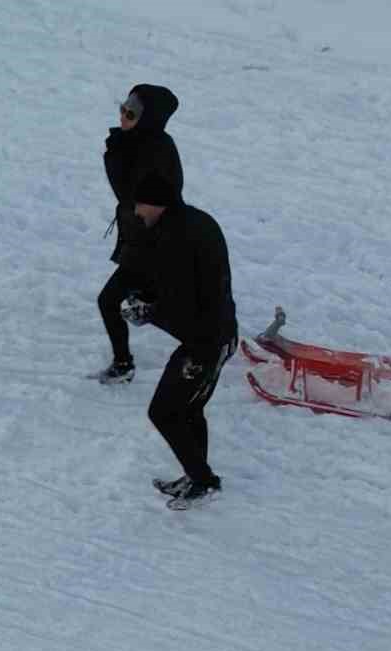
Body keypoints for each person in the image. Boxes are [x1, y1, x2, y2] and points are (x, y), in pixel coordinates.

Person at [118, 173, 237, 510]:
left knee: (164, 412)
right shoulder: (194, 222)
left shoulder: (176, 238)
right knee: (189, 407)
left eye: (139, 204)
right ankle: (197, 475)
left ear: (155, 204)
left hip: (207, 342)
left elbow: (183, 300)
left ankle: (203, 481)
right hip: (215, 334)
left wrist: (148, 313)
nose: (137, 211)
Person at [95, 84, 184, 384]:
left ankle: (124, 365)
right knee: (150, 299)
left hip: (155, 246)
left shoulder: (154, 152)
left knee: (109, 301)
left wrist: (115, 156)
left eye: (130, 113)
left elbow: (129, 195)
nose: (123, 115)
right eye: (123, 108)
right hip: (142, 240)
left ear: (147, 119)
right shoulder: (140, 143)